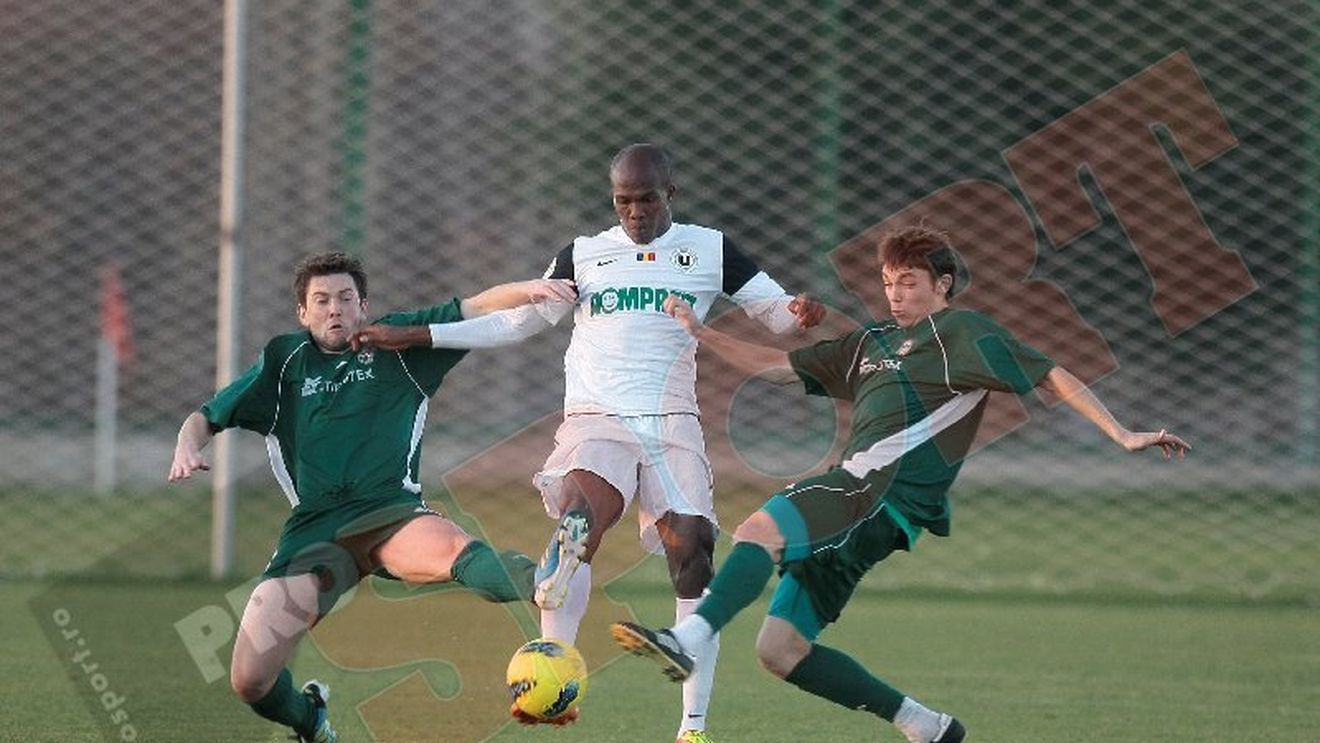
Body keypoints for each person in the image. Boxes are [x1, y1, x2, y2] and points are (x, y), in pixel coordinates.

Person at [610, 224, 1190, 743]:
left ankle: (690, 639)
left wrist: (1121, 432)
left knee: (760, 527)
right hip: (867, 509)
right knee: (779, 652)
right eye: (889, 282)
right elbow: (781, 369)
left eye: (909, 282)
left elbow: (1050, 374)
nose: (895, 293)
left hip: (875, 491)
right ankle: (924, 725)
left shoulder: (959, 333)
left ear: (943, 285)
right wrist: (699, 332)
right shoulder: (870, 344)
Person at [353, 143, 826, 742]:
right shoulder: (583, 255)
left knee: (694, 551)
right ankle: (557, 651)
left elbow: (776, 315)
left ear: (670, 195)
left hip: (671, 417)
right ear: (613, 199)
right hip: (598, 414)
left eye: (647, 199)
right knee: (585, 511)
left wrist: (801, 311)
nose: (634, 211)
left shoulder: (709, 248)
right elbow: (518, 321)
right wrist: (422, 334)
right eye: (623, 200)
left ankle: (691, 729)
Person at [167, 252, 576, 743]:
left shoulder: (398, 341)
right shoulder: (284, 361)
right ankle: (310, 718)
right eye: (321, 301)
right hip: (315, 533)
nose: (334, 309)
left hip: (390, 513)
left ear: (363, 305)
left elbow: (475, 308)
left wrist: (531, 288)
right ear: (303, 312)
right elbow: (207, 416)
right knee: (250, 680)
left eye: (345, 298)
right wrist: (186, 448)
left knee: (452, 550)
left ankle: (542, 578)